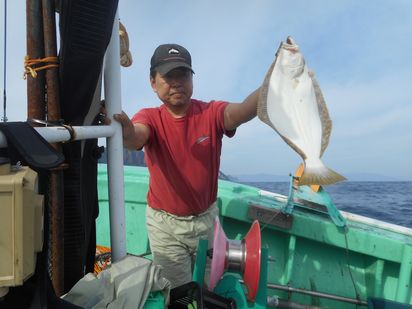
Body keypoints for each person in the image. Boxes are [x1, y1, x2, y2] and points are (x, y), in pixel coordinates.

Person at [112, 43, 260, 288]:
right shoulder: (150, 117)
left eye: (182, 75)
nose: (176, 82)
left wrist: (271, 86)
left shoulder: (211, 112)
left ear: (191, 79)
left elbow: (242, 111)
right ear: (152, 82)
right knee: (179, 293)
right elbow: (136, 136)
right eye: (168, 76)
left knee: (208, 286)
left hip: (207, 220)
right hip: (164, 225)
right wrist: (126, 129)